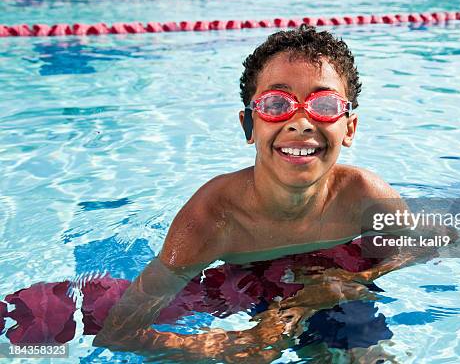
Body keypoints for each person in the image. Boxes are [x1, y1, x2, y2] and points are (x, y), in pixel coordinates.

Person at [92, 25, 419, 361]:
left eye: (324, 104)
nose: (302, 122)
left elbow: (421, 244)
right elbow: (118, 335)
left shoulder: (362, 195)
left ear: (348, 128)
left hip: (332, 276)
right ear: (249, 125)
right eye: (276, 104)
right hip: (243, 284)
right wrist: (230, 344)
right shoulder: (211, 219)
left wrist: (354, 279)